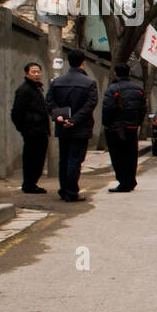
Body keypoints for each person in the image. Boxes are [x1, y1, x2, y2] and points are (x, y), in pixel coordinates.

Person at [45, 50, 99, 202]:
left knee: (64, 159)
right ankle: (71, 192)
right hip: (80, 128)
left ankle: (64, 190)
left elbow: (49, 102)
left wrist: (62, 118)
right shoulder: (89, 83)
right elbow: (90, 105)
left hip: (63, 127)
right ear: (83, 62)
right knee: (75, 160)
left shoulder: (57, 82)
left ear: (68, 62)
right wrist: (74, 120)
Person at [101, 63, 146, 193]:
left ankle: (123, 182)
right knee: (131, 155)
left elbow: (106, 109)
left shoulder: (112, 89)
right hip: (132, 128)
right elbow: (143, 109)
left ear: (116, 73)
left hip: (116, 129)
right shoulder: (138, 90)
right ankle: (131, 180)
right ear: (129, 74)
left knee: (118, 156)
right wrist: (137, 123)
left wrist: (107, 124)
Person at [10, 61, 49, 193]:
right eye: (33, 72)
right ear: (27, 74)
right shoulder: (24, 90)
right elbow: (16, 112)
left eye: (38, 71)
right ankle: (29, 184)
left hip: (40, 130)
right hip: (32, 131)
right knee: (32, 159)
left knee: (39, 158)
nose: (37, 74)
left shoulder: (36, 88)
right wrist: (23, 128)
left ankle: (32, 183)